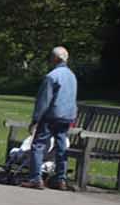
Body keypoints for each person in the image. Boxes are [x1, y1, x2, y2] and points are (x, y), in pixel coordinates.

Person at [21, 46, 78, 191]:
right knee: (61, 146)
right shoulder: (72, 76)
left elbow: (44, 101)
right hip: (67, 116)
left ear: (55, 59)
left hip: (52, 115)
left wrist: (35, 120)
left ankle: (35, 178)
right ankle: (60, 179)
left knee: (38, 144)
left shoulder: (52, 76)